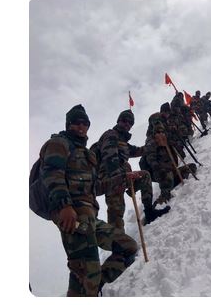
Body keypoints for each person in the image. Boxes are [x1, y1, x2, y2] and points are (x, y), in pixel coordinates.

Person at [40, 105, 140, 296]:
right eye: (76, 123)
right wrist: (65, 206)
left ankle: (91, 286)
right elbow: (52, 174)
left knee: (128, 247)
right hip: (73, 217)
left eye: (85, 123)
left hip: (91, 219)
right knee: (87, 272)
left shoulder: (88, 155)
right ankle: (89, 287)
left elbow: (96, 188)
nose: (81, 127)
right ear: (68, 124)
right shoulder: (59, 143)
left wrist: (124, 178)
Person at [96, 110, 169, 228]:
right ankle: (117, 240)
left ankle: (149, 212)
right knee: (117, 210)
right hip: (110, 179)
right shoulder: (111, 135)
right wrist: (119, 179)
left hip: (123, 176)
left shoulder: (123, 142)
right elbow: (110, 160)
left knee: (145, 175)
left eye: (130, 123)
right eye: (124, 121)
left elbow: (138, 151)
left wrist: (155, 142)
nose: (127, 124)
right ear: (118, 121)